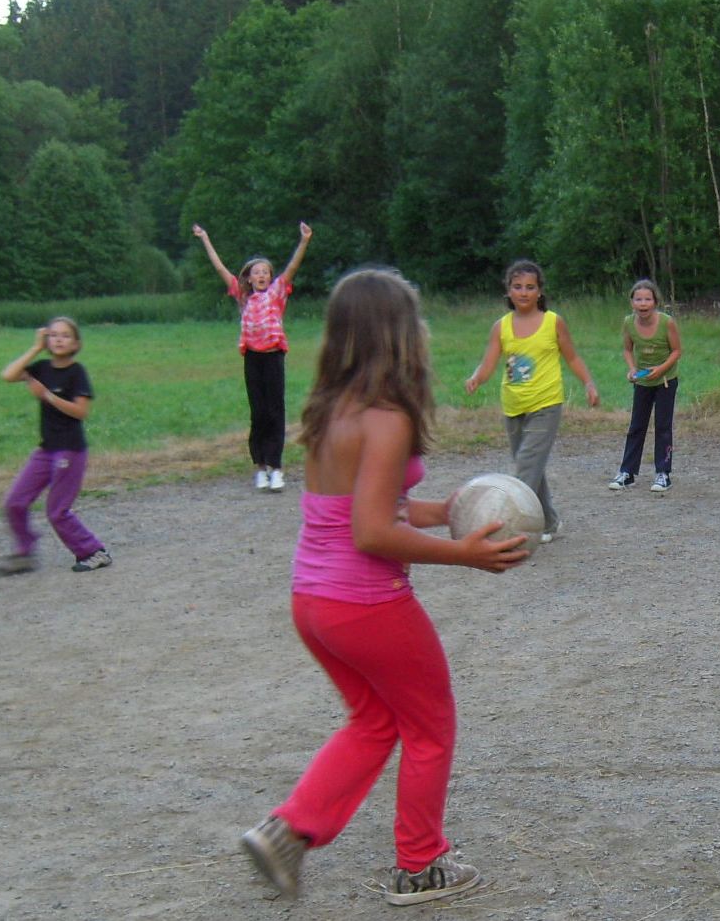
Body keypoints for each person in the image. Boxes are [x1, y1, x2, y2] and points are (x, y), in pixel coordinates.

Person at [239, 267, 527, 906]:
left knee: (375, 719)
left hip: (313, 601)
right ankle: (420, 865)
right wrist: (464, 555)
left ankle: (286, 831)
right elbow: (371, 532)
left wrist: (443, 510)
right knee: (430, 725)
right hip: (366, 603)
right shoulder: (388, 418)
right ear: (399, 334)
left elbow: (366, 506)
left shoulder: (330, 411)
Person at [464, 260, 599, 541]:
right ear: (508, 290)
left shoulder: (553, 322)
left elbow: (572, 357)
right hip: (513, 405)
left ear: (539, 291)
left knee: (526, 465)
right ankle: (549, 522)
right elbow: (488, 362)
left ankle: (511, 529)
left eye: (530, 287)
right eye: (517, 287)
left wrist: (588, 383)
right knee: (531, 465)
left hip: (546, 404)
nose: (523, 292)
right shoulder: (501, 327)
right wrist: (477, 378)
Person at [191, 221, 313, 493]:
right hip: (253, 360)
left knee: (275, 412)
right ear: (248, 278)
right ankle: (260, 467)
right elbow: (220, 268)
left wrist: (304, 241)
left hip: (274, 357)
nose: (261, 275)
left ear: (270, 277)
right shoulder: (243, 296)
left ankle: (276, 468)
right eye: (257, 272)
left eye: (265, 272)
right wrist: (205, 238)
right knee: (258, 413)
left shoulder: (277, 293)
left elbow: (292, 268)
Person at [0, 318, 112, 575]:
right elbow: (8, 375)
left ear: (76, 343)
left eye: (65, 335)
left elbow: (81, 412)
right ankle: (24, 553)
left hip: (70, 449)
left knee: (56, 511)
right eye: (53, 334)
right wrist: (35, 348)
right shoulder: (41, 368)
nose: (58, 339)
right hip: (46, 450)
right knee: (15, 502)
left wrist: (47, 395)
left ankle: (94, 552)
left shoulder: (76, 372)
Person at [608, 279, 682, 493]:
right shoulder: (628, 323)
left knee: (663, 426)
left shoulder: (667, 322)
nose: (643, 304)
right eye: (638, 299)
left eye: (647, 299)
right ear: (632, 302)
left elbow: (677, 351)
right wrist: (632, 369)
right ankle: (627, 473)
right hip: (642, 381)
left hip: (665, 380)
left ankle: (663, 473)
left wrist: (661, 369)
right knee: (636, 426)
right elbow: (627, 349)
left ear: (655, 302)